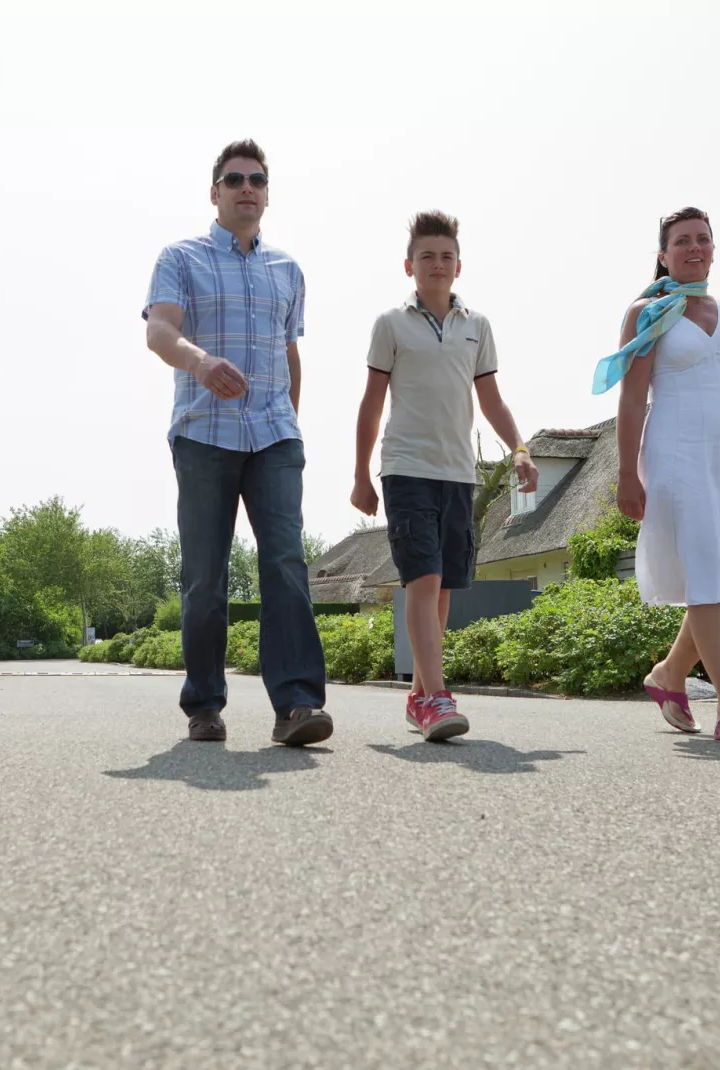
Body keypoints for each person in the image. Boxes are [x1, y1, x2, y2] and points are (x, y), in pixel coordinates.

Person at [142, 139, 332, 747]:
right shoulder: (181, 257)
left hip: (275, 436)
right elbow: (160, 329)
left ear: (267, 193)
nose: (246, 187)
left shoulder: (288, 270)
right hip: (205, 435)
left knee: (285, 563)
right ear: (215, 191)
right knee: (205, 575)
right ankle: (204, 704)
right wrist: (199, 363)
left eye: (257, 179)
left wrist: (292, 424)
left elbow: (290, 353)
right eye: (234, 179)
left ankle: (298, 706)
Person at [351, 211, 537, 741]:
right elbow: (371, 403)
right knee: (423, 580)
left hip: (459, 474)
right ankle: (435, 695)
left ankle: (417, 696)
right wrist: (362, 474)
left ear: (459, 266)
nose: (437, 264)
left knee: (445, 588)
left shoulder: (476, 327)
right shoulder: (391, 324)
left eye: (446, 256)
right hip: (406, 468)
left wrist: (520, 449)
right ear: (410, 265)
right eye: (427, 256)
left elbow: (491, 399)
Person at [597, 207, 720, 743]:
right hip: (676, 452)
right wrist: (626, 474)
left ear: (714, 248)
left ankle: (669, 674)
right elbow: (631, 400)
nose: (694, 248)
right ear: (663, 254)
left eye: (703, 239)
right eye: (682, 241)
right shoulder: (646, 313)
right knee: (705, 572)